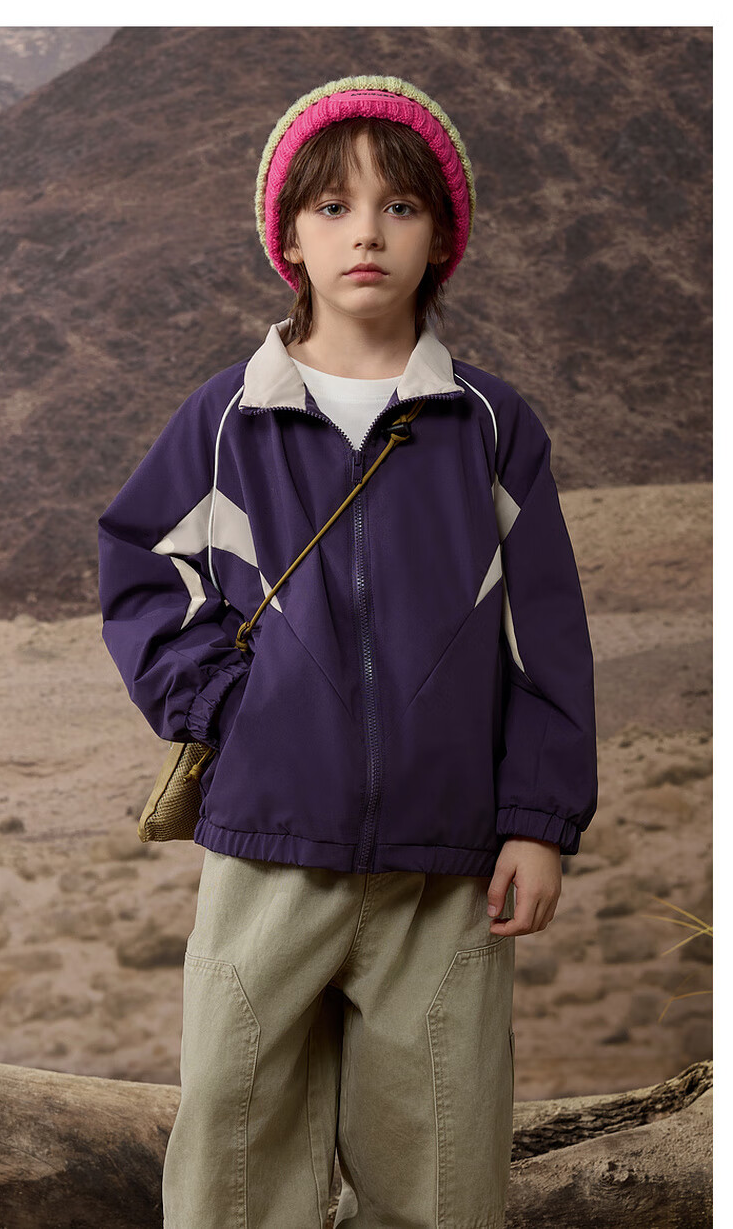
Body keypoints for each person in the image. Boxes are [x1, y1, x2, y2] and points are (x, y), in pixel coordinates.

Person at [98, 74, 598, 1229]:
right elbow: (141, 568)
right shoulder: (224, 419)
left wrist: (538, 819)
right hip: (266, 851)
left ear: (441, 238)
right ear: (288, 237)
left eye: (398, 206)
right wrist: (232, 705)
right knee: (235, 1153)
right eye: (332, 206)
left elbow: (546, 637)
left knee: (442, 1162)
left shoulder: (491, 426)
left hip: (446, 868)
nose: (365, 231)